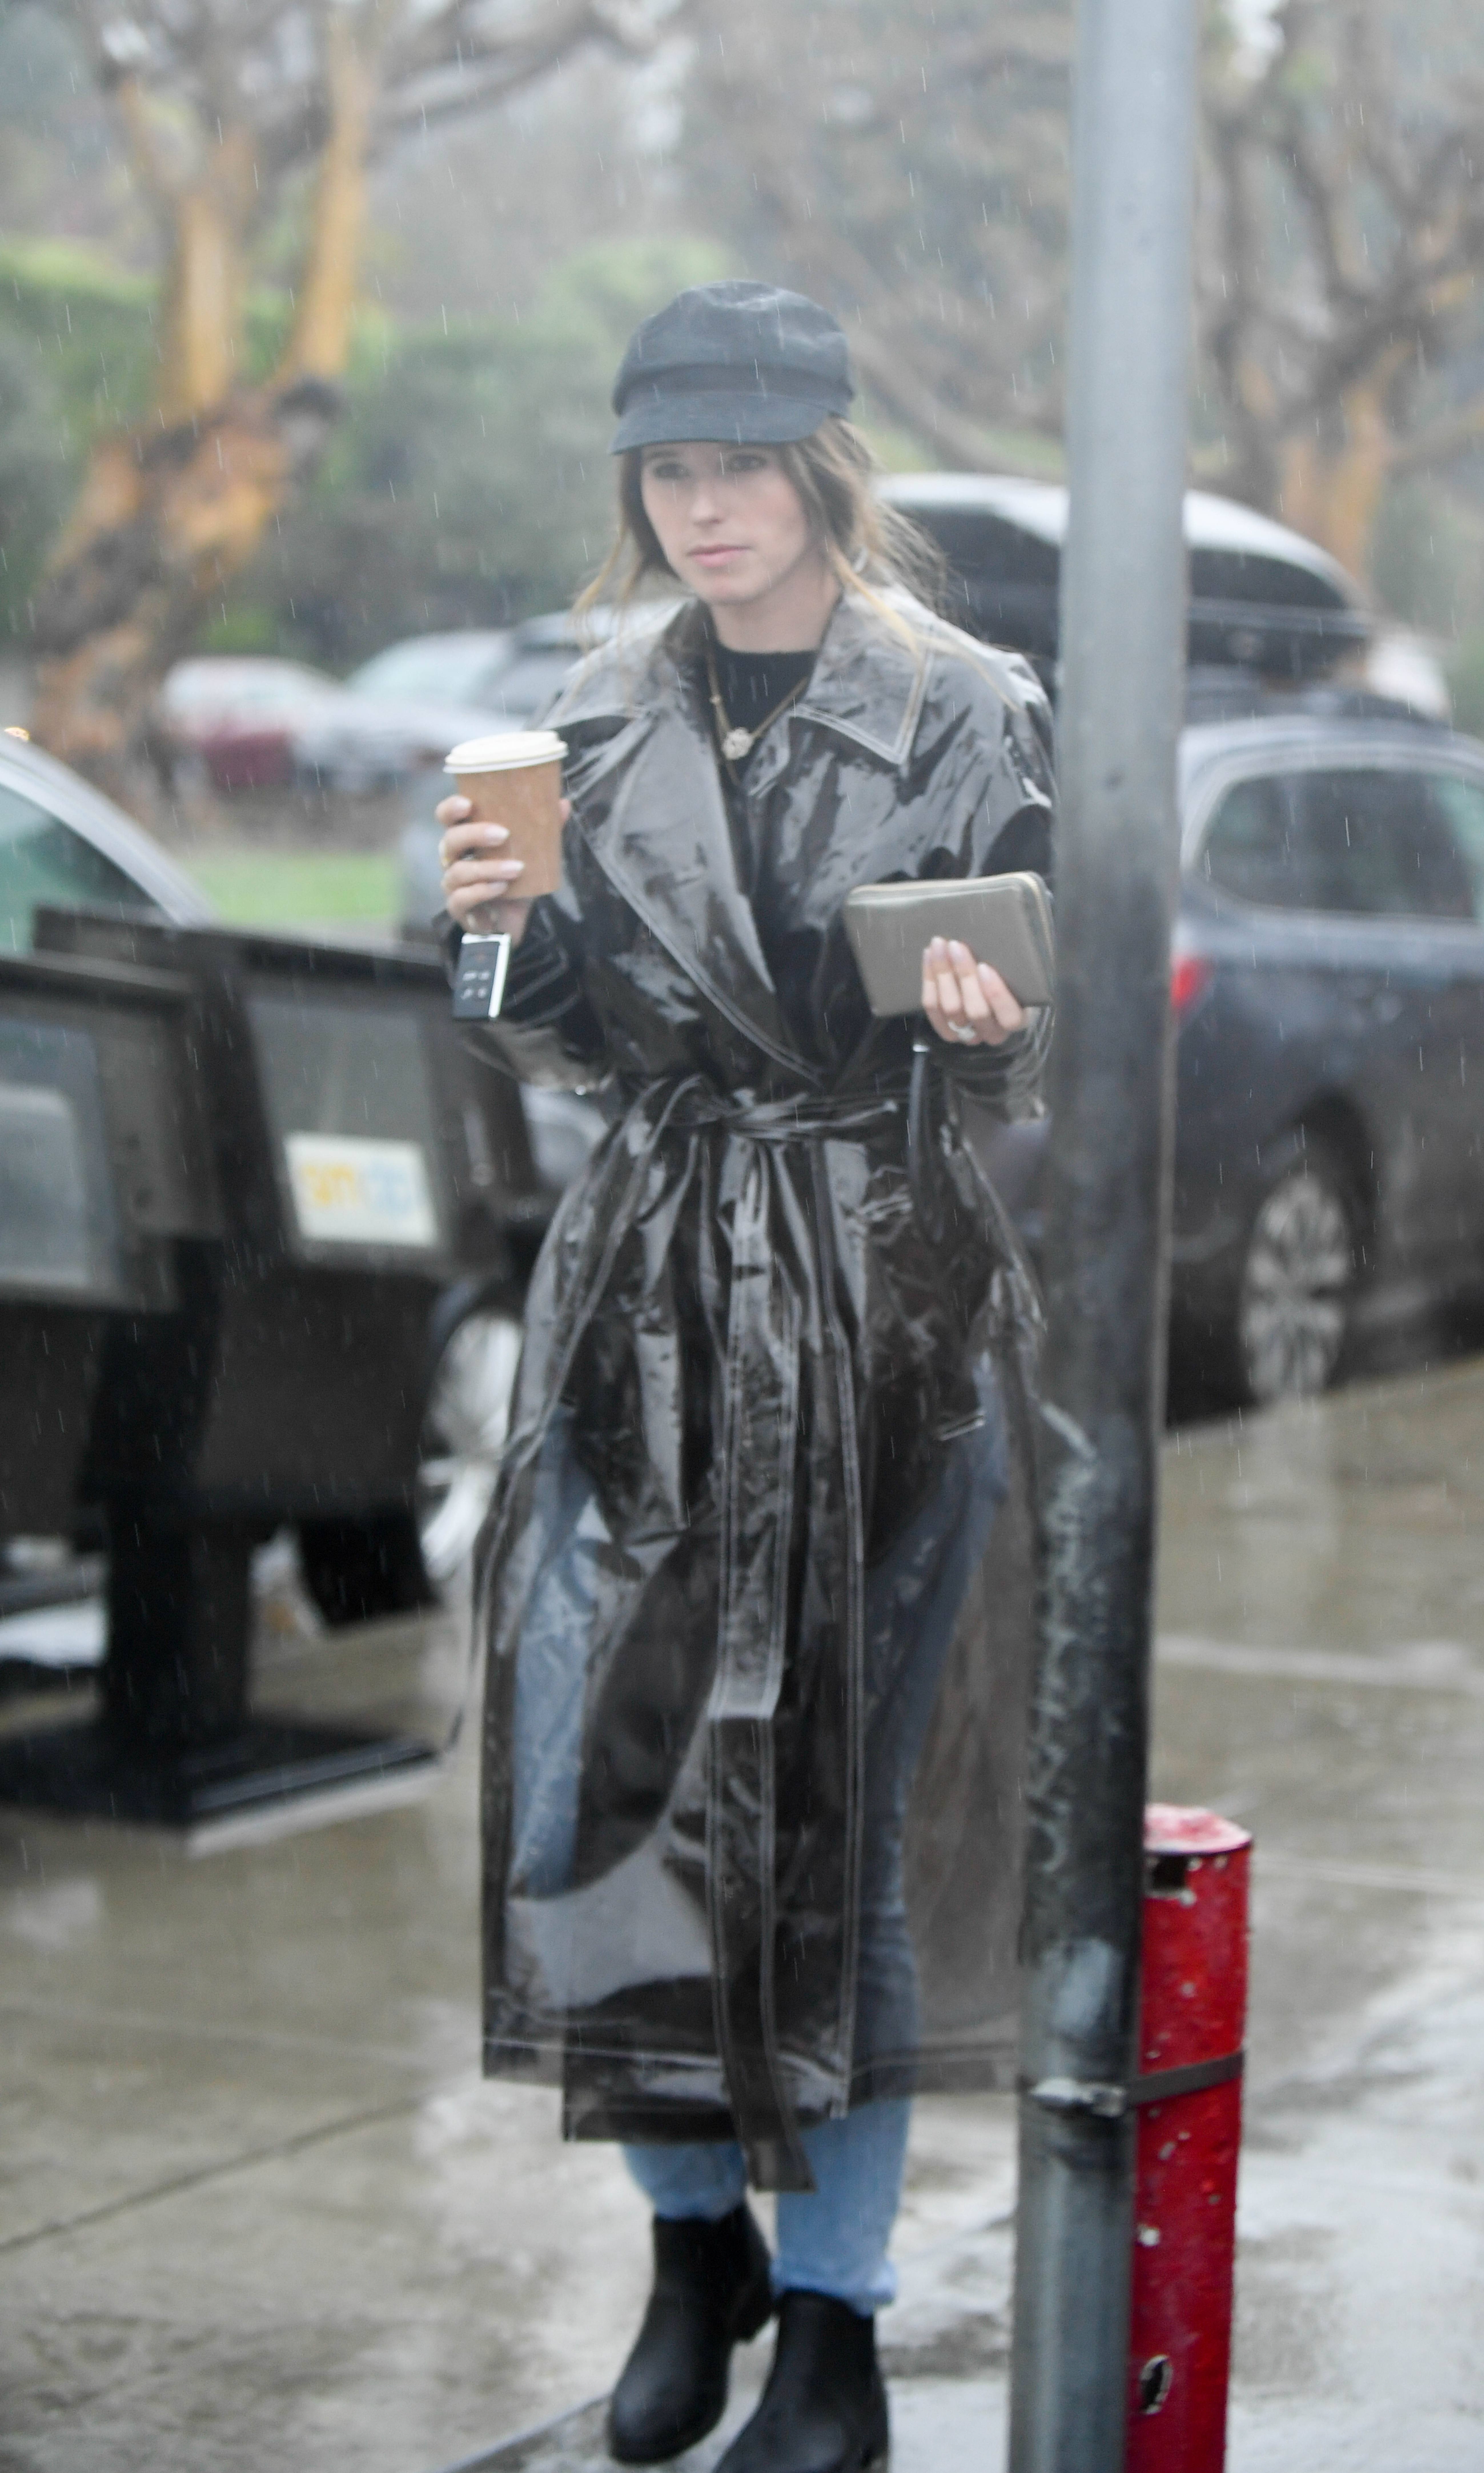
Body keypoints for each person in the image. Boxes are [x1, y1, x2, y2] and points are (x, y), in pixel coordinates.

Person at [437, 280, 1054, 2473]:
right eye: (668, 470)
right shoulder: (585, 715)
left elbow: (1022, 1039)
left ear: (823, 464)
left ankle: (843, 2320)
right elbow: (548, 1040)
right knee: (608, 1799)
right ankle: (693, 2246)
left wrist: (982, 1027)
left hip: (882, 1299)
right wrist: (498, 930)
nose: (702, 507)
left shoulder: (970, 700)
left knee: (838, 1824)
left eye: (739, 463)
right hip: (646, 1298)